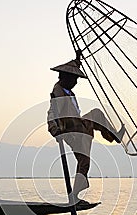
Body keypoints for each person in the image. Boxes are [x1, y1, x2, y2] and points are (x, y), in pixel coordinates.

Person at [47, 54, 125, 203]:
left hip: (79, 127)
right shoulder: (58, 91)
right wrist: (55, 130)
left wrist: (78, 60)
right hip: (72, 132)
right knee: (84, 162)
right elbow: (52, 112)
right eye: (74, 79)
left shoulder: (68, 91)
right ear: (66, 77)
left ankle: (74, 196)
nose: (75, 82)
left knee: (84, 162)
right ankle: (74, 197)